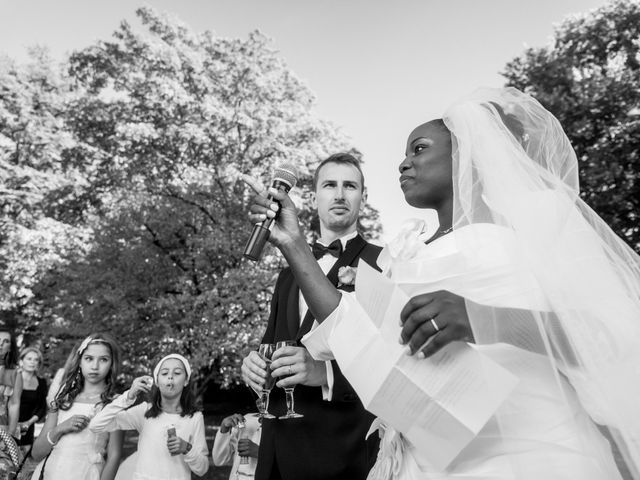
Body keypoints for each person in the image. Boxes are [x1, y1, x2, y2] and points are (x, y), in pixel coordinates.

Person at [244, 87, 640, 479]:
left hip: (527, 455)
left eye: (418, 149)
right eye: (403, 154)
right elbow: (350, 330)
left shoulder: (531, 233)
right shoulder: (408, 256)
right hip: (428, 458)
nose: (402, 164)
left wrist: (483, 319)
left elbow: (606, 338)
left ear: (467, 156)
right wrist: (292, 243)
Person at [241, 153, 381, 480]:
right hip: (278, 453)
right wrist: (254, 368)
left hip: (344, 453)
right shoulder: (286, 276)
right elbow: (271, 344)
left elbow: (391, 362)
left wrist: (326, 374)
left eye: (350, 186)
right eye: (329, 184)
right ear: (313, 196)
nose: (340, 194)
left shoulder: (381, 263)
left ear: (363, 197)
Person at [89, 353, 209, 479]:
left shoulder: (195, 417)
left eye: (177, 373)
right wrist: (128, 396)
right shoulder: (144, 411)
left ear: (186, 381)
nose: (170, 377)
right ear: (157, 381)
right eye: (164, 373)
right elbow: (95, 425)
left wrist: (187, 448)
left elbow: (202, 469)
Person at [31, 333, 123, 480]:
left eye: (103, 360)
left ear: (112, 363)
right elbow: (36, 453)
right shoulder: (63, 400)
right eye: (89, 358)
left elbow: (115, 456)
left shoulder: (115, 404)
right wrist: (60, 428)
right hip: (51, 473)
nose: (95, 366)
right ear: (80, 361)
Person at [212, 412, 261, 479]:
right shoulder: (246, 419)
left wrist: (261, 453)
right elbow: (219, 460)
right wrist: (224, 429)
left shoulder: (279, 425)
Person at [17, 347, 47, 454]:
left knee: (22, 466)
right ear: (21, 361)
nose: (32, 362)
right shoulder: (12, 378)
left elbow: (42, 408)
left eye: (36, 360)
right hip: (7, 426)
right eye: (29, 359)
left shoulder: (42, 382)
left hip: (27, 429)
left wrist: (28, 423)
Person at [0, 327, 22, 440]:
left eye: (6, 341)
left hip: (2, 431)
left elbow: (14, 405)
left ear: (10, 347)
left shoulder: (15, 373)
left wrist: (10, 435)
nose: (0, 344)